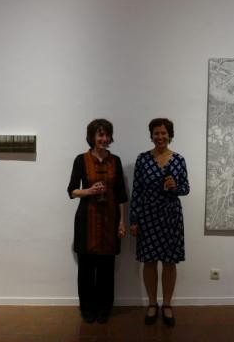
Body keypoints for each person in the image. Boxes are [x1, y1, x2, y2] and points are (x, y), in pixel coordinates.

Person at [67, 119, 128, 324]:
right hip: (87, 221)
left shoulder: (115, 161)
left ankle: (104, 309)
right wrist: (89, 191)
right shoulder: (80, 160)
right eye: (99, 135)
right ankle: (87, 308)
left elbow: (121, 194)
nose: (103, 139)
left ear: (110, 137)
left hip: (110, 222)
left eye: (106, 135)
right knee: (85, 269)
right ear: (92, 137)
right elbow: (72, 191)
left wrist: (122, 222)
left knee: (106, 269)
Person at [130, 118, 189, 327]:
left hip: (171, 215)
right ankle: (152, 303)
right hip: (147, 215)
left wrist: (175, 186)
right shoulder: (143, 159)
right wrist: (134, 219)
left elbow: (186, 189)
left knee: (170, 261)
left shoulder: (179, 160)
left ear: (170, 135)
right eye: (156, 133)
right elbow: (136, 191)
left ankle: (167, 304)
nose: (160, 137)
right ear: (151, 135)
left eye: (164, 133)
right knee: (149, 260)